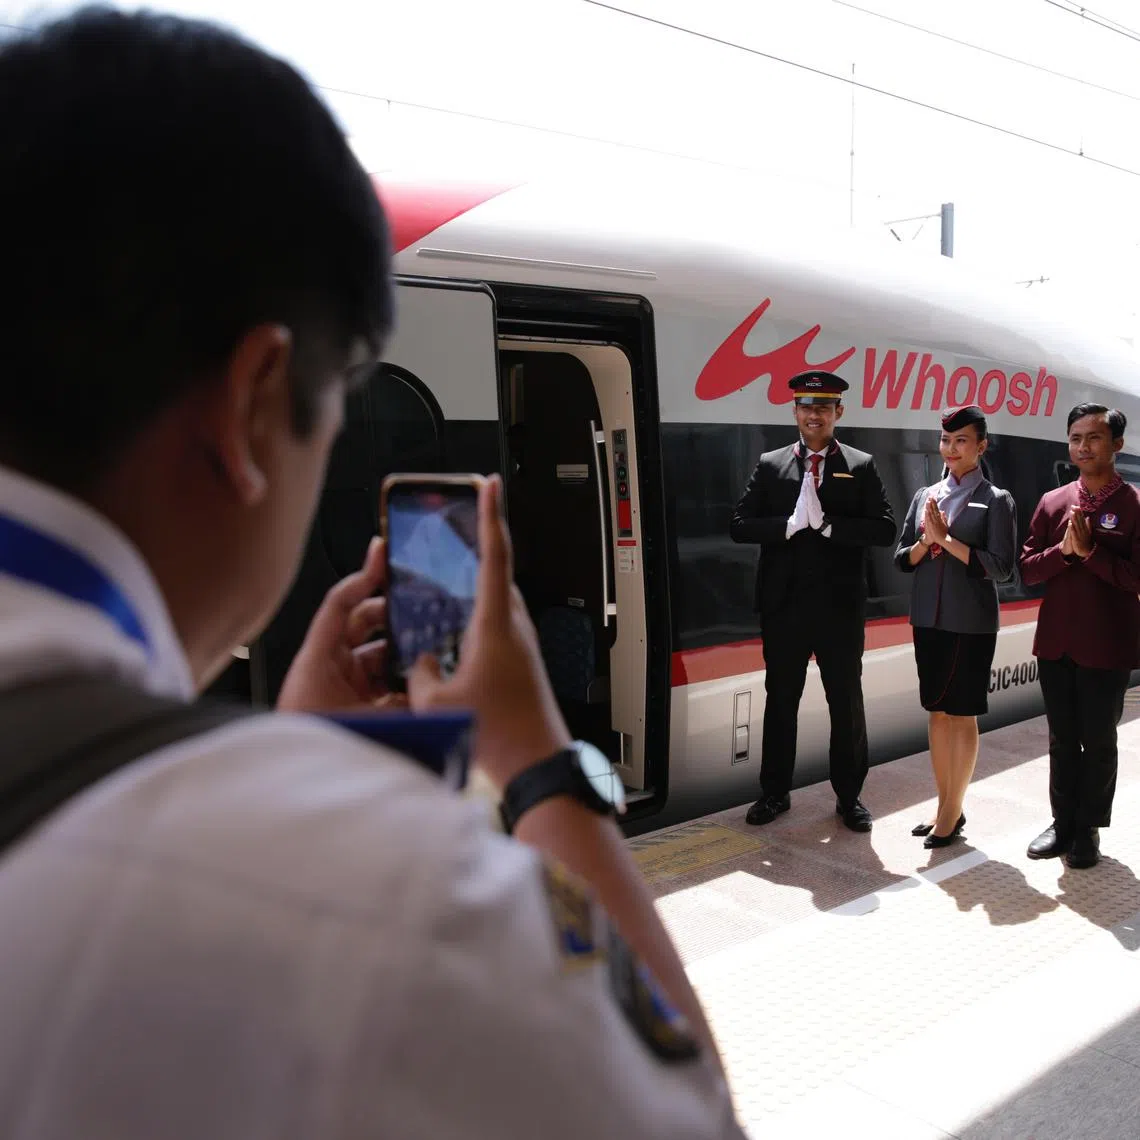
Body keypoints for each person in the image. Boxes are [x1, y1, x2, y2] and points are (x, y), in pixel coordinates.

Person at [0, 10, 745, 1138]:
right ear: (257, 402)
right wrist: (532, 760)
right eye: (346, 392)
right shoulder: (377, 899)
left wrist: (296, 758)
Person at [730, 369, 897, 831]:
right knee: (780, 701)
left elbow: (885, 529)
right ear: (795, 411)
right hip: (784, 608)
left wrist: (829, 526)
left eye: (824, 407)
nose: (814, 414)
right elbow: (740, 524)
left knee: (845, 703)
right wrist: (788, 525)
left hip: (839, 610)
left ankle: (849, 798)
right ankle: (774, 793)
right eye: (806, 406)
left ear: (838, 412)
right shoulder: (771, 463)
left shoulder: (860, 464)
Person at [1019, 403, 1140, 870]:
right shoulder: (1053, 502)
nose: (1083, 447)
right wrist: (1064, 553)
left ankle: (1088, 829)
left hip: (1107, 644)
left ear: (1117, 445)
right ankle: (1061, 822)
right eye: (1075, 438)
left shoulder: (1132, 505)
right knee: (1061, 739)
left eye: (1093, 437)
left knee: (1100, 738)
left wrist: (1090, 553)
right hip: (1056, 642)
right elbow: (1028, 570)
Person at [893, 406, 1017, 848]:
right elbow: (901, 559)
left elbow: (1003, 569)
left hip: (971, 623)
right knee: (937, 713)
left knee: (961, 714)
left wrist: (948, 540)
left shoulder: (995, 499)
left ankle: (949, 815)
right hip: (927, 617)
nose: (950, 448)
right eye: (946, 440)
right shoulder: (926, 495)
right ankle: (947, 807)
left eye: (961, 440)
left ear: (981, 446)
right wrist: (926, 542)